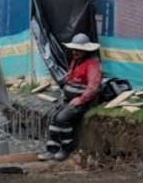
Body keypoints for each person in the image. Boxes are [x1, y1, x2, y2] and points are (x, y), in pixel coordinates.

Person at [40, 33, 103, 161]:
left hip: (82, 102)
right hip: (69, 100)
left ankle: (65, 149)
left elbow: (92, 87)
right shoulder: (76, 62)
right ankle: (52, 149)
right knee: (54, 118)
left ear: (86, 50)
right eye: (74, 49)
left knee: (63, 119)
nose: (75, 52)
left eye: (79, 50)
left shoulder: (92, 65)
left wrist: (81, 99)